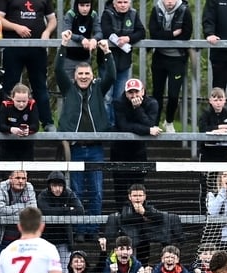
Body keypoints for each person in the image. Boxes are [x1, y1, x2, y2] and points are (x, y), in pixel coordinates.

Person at [55, 30, 114, 243]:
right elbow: (57, 69)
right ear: (75, 76)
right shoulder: (68, 89)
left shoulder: (98, 90)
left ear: (92, 76)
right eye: (80, 74)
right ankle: (79, 229)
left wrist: (107, 53)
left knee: (96, 192)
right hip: (76, 148)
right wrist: (63, 45)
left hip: (96, 149)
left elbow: (112, 75)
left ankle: (93, 228)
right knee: (77, 191)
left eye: (87, 74)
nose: (83, 77)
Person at [0, 0, 57, 131]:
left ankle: (47, 123)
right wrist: (16, 27)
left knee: (40, 86)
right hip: (13, 46)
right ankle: (5, 123)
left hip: (37, 48)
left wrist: (47, 32)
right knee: (9, 87)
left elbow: (52, 20)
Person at [111, 81, 161, 200]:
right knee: (120, 188)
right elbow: (124, 126)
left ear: (143, 91)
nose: (134, 96)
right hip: (119, 151)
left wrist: (138, 109)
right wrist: (147, 130)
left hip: (139, 151)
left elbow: (150, 123)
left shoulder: (152, 103)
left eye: (136, 92)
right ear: (126, 93)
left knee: (138, 187)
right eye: (130, 92)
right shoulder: (118, 103)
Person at [148, 0, 192, 133]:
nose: (169, 2)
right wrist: (173, 34)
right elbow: (154, 34)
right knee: (157, 93)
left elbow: (186, 34)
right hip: (160, 57)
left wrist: (164, 37)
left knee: (173, 95)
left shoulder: (185, 10)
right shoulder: (156, 9)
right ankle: (154, 123)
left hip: (178, 58)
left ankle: (169, 121)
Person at [100, 0, 145, 127]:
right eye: (119, 2)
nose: (123, 5)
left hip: (124, 63)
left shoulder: (134, 14)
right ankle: (106, 126)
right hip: (107, 63)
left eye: (125, 2)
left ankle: (118, 126)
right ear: (114, 3)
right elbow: (106, 32)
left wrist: (128, 38)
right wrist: (121, 38)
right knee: (106, 98)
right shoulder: (107, 14)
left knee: (119, 98)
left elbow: (141, 32)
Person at [37, 171, 84, 270]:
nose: (57, 189)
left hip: (64, 240)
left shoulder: (69, 193)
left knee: (64, 272)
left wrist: (57, 212)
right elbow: (46, 212)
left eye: (60, 186)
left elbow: (80, 210)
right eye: (54, 185)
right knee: (46, 272)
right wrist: (67, 209)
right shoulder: (43, 195)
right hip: (46, 240)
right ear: (49, 186)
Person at [0, 170, 36, 262]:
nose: (21, 181)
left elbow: (33, 209)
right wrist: (22, 206)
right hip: (2, 238)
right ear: (10, 179)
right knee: (2, 271)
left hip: (22, 239)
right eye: (18, 178)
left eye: (23, 178)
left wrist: (10, 209)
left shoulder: (29, 187)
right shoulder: (1, 187)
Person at [197, 87, 227, 163]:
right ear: (210, 101)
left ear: (224, 100)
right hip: (206, 150)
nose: (218, 103)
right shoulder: (205, 114)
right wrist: (221, 127)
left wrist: (226, 131)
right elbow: (203, 129)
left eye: (220, 100)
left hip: (223, 151)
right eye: (215, 100)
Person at [0, 83, 39, 162]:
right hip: (7, 146)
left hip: (26, 146)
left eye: (24, 101)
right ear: (12, 98)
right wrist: (11, 129)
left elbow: (36, 125)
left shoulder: (32, 105)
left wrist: (28, 130)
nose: (21, 104)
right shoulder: (6, 105)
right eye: (18, 101)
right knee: (8, 172)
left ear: (28, 99)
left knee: (25, 172)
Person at [61, 0, 102, 78]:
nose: (85, 9)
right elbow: (66, 32)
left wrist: (95, 39)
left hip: (85, 58)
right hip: (69, 57)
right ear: (77, 5)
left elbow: (99, 32)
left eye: (87, 5)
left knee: (85, 86)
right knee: (68, 86)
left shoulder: (93, 14)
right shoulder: (70, 14)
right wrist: (81, 38)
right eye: (82, 5)